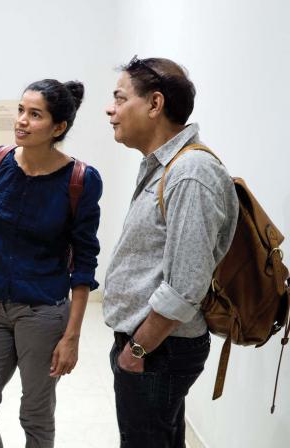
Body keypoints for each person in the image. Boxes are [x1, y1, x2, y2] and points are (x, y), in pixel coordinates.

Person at [0, 79, 102, 448]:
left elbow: (85, 263)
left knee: (36, 417)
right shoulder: (0, 161)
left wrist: (71, 336)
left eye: (35, 114)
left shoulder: (80, 180)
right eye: (21, 111)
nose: (21, 121)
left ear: (59, 128)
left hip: (43, 312)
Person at [103, 56, 238, 447]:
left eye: (120, 97)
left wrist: (137, 350)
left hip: (158, 350)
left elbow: (185, 285)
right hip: (151, 347)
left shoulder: (190, 172)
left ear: (154, 104)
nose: (110, 109)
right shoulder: (165, 166)